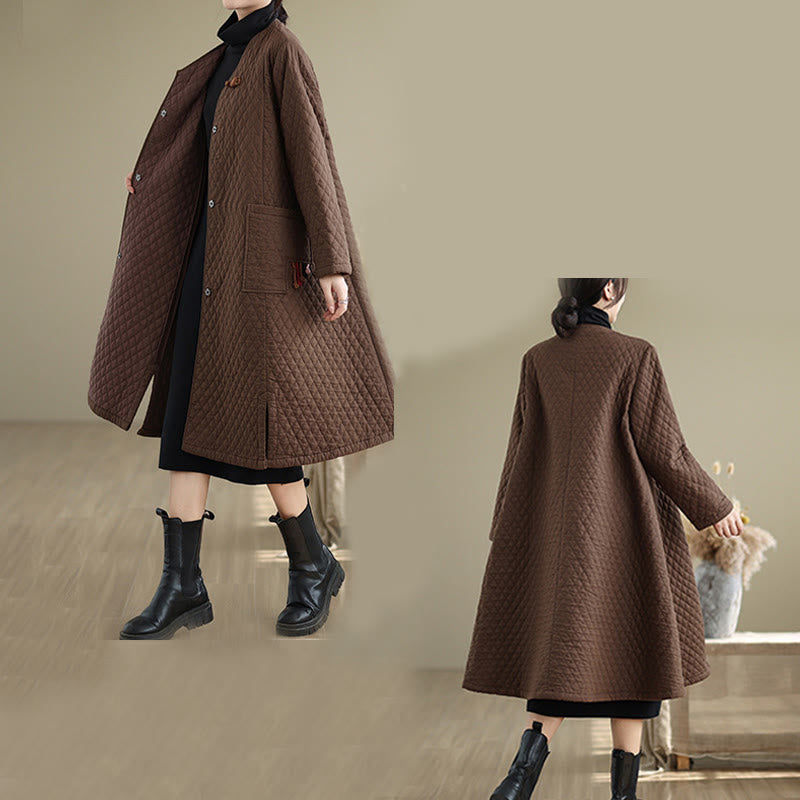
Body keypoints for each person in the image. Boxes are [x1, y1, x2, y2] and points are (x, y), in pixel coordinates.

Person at [87, 0, 394, 640]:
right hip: (205, 262)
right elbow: (202, 157)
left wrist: (332, 261)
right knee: (186, 418)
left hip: (258, 269)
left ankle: (311, 566)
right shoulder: (224, 55)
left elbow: (313, 156)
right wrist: (151, 178)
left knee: (262, 430)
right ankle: (184, 585)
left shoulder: (281, 51)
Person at [462, 279, 743, 799]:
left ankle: (518, 780)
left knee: (557, 657)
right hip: (625, 532)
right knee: (635, 656)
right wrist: (716, 507)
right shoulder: (636, 355)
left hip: (553, 532)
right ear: (611, 288)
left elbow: (518, 446)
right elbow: (665, 449)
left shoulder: (537, 359)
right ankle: (623, 794)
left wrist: (506, 526)